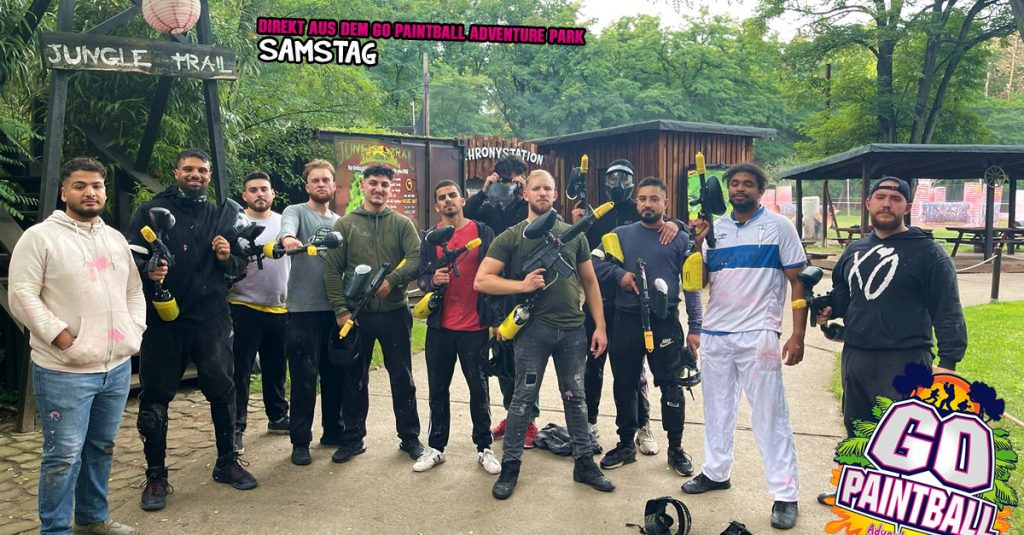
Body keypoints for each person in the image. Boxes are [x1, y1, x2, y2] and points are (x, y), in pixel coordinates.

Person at [9, 157, 143, 535]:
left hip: (115, 368)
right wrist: (61, 337)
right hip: (64, 370)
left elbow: (133, 290)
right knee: (63, 456)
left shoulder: (114, 238)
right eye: (80, 186)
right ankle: (54, 529)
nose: (90, 193)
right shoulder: (40, 237)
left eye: (97, 185)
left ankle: (92, 518)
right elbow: (22, 294)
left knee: (101, 446)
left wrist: (134, 331)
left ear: (104, 191)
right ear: (64, 191)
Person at [814, 176, 966, 505]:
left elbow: (947, 309)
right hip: (857, 356)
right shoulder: (854, 250)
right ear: (867, 203)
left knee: (905, 437)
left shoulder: (929, 253)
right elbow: (845, 297)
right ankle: (856, 491)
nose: (887, 203)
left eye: (895, 199)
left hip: (906, 359)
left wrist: (949, 363)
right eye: (880, 197)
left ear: (907, 207)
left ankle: (905, 504)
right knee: (858, 427)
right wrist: (828, 309)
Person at [128, 149, 255, 512]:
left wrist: (227, 256)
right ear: (176, 172)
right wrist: (148, 270)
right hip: (164, 321)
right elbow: (130, 260)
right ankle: (156, 476)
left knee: (223, 391)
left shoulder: (222, 215)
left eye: (202, 170)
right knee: (155, 398)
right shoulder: (151, 211)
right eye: (189, 169)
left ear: (209, 176)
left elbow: (239, 267)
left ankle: (227, 461)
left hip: (212, 319)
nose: (195, 174)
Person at [680, 163, 806, 530]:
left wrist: (797, 334)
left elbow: (798, 281)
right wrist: (699, 243)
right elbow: (700, 281)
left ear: (760, 190)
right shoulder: (716, 229)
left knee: (769, 415)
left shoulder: (780, 227)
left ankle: (785, 493)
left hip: (758, 333)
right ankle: (716, 472)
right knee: (717, 410)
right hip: (716, 333)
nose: (739, 189)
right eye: (734, 184)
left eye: (748, 184)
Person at [475, 169, 614, 500]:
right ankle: (510, 467)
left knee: (575, 398)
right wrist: (521, 286)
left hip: (572, 330)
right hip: (532, 331)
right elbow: (482, 280)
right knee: (522, 399)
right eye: (536, 188)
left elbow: (590, 281)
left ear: (555, 194)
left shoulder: (573, 234)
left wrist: (600, 325)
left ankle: (584, 464)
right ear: (525, 194)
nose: (542, 193)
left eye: (548, 189)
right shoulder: (511, 236)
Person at [571, 159, 684, 453]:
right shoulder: (595, 214)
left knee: (636, 372)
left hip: (632, 307)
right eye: (612, 179)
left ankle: (642, 425)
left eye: (624, 179)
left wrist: (677, 224)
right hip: (600, 302)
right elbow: (584, 256)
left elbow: (674, 230)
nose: (617, 185)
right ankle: (590, 424)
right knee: (593, 365)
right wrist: (578, 223)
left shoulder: (651, 216)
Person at [592, 177, 703, 477]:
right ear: (636, 202)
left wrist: (695, 327)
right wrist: (619, 276)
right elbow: (593, 263)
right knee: (624, 384)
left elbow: (692, 286)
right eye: (642, 199)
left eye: (654, 199)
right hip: (626, 320)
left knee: (672, 386)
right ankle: (625, 444)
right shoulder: (619, 235)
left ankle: (676, 448)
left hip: (665, 321)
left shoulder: (679, 238)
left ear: (665, 203)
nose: (647, 204)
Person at [324, 164, 424, 463]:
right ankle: (353, 439)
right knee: (354, 378)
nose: (379, 189)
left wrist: (392, 280)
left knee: (402, 378)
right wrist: (341, 309)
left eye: (384, 184)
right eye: (373, 183)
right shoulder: (345, 225)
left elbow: (416, 258)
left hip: (395, 313)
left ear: (390, 189)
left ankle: (410, 438)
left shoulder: (402, 224)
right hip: (358, 315)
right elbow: (332, 269)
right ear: (363, 185)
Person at [413, 180, 501, 474]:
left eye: (453, 195)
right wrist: (432, 281)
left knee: (479, 389)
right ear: (436, 205)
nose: (448, 200)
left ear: (463, 200)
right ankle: (436, 447)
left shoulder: (483, 232)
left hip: (475, 326)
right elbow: (421, 278)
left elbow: (496, 273)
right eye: (442, 197)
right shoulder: (431, 238)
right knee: (438, 390)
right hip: (440, 327)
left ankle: (484, 447)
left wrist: (495, 320)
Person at [465, 155, 539, 447]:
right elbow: (466, 215)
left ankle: (529, 419)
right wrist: (485, 191)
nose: (508, 185)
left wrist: (524, 193)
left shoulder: (527, 206)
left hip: (525, 288)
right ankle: (512, 413)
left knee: (527, 358)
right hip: (496, 289)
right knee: (503, 355)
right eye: (504, 179)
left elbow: (545, 215)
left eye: (514, 179)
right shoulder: (488, 207)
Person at [278, 159, 344, 466]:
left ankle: (333, 431)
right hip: (303, 310)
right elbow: (287, 231)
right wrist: (289, 239)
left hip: (335, 310)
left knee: (335, 374)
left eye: (325, 180)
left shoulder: (340, 222)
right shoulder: (296, 212)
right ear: (307, 186)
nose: (321, 184)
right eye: (315, 180)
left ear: (334, 186)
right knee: (304, 376)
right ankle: (300, 441)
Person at [229, 171, 290, 455]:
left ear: (273, 193)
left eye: (264, 189)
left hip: (280, 306)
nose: (259, 194)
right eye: (253, 190)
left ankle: (278, 416)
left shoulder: (285, 224)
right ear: (244, 195)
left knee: (276, 367)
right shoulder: (235, 223)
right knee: (239, 371)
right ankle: (236, 427)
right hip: (243, 305)